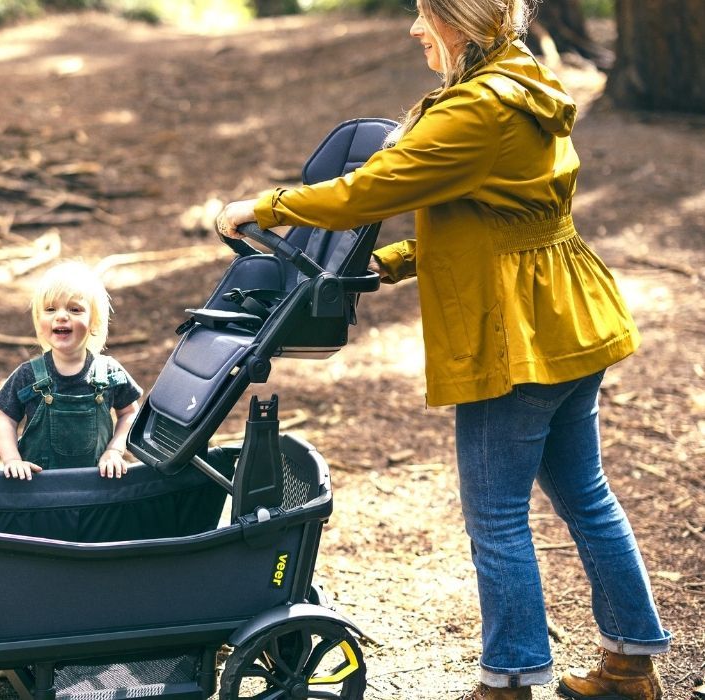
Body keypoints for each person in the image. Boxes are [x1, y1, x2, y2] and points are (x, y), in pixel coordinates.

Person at [216, 0, 671, 698]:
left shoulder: (477, 108)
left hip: (514, 333)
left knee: (497, 516)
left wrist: (265, 206)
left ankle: (509, 679)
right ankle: (629, 664)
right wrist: (395, 263)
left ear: (458, 23)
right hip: (567, 315)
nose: (412, 29)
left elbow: (366, 191)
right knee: (584, 494)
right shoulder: (527, 81)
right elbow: (497, 209)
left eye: (423, 15)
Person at [0, 260, 142, 480]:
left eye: (75, 309)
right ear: (39, 321)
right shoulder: (28, 375)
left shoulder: (108, 371)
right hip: (40, 490)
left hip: (96, 488)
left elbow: (129, 413)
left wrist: (114, 450)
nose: (61, 316)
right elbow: (6, 419)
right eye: (51, 309)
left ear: (94, 322)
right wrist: (12, 459)